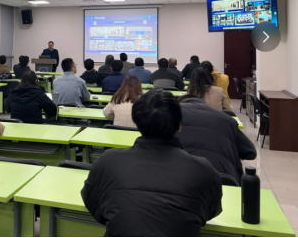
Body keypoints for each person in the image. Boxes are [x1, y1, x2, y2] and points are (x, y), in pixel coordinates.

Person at [82, 90, 223, 237]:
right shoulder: (203, 170)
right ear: (179, 125)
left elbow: (94, 204)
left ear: (137, 123)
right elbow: (210, 211)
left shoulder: (107, 161)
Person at [177, 95, 257, 184]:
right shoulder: (226, 119)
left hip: (179, 179)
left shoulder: (172, 117)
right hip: (225, 181)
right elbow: (250, 152)